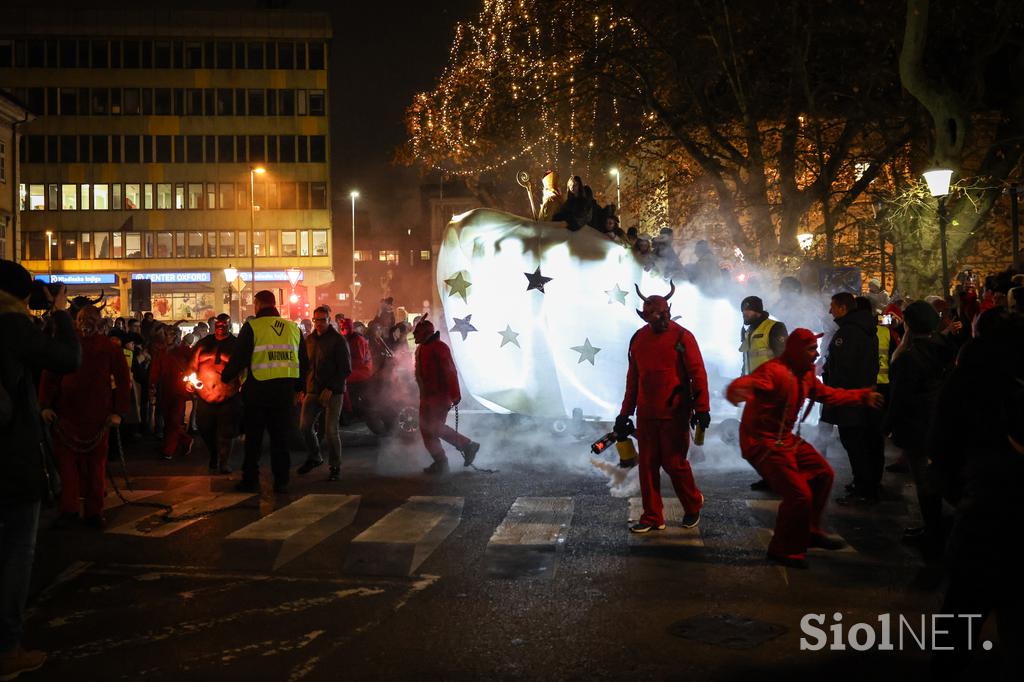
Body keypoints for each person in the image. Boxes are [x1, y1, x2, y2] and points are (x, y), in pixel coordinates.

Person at [726, 329, 884, 568]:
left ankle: (809, 531)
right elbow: (744, 385)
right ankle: (783, 549)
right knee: (798, 495)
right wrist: (737, 391)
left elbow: (825, 394)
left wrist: (860, 396)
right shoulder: (774, 371)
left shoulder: (804, 373)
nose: (816, 353)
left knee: (823, 474)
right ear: (798, 351)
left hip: (784, 439)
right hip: (761, 442)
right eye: (811, 349)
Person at [0, 261, 80, 680]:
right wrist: (61, 311)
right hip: (10, 461)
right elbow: (68, 358)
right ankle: (7, 648)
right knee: (15, 553)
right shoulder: (12, 327)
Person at [618, 282, 709, 533]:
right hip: (647, 414)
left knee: (674, 463)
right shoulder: (638, 339)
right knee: (647, 465)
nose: (664, 318)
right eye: (658, 314)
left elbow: (697, 374)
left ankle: (692, 505)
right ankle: (652, 516)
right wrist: (624, 413)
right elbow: (633, 379)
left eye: (666, 312)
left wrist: (702, 408)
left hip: (676, 412)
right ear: (646, 315)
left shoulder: (682, 336)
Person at [39, 304, 130, 529]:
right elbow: (49, 376)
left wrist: (118, 412)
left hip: (98, 418)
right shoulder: (66, 346)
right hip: (67, 416)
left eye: (90, 318)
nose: (85, 322)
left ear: (99, 322)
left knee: (95, 468)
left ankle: (93, 511)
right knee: (68, 467)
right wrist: (45, 406)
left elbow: (122, 381)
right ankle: (69, 510)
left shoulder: (110, 348)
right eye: (81, 318)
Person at [882, 301, 955, 558]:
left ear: (908, 324)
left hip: (917, 426)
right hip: (939, 423)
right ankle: (932, 528)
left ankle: (933, 533)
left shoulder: (908, 357)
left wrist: (887, 426)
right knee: (929, 480)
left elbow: (900, 397)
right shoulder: (943, 348)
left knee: (924, 482)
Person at [221, 290, 308, 494]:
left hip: (258, 392)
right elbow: (303, 361)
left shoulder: (252, 326)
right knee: (280, 439)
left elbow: (239, 357)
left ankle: (250, 480)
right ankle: (282, 481)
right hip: (284, 394)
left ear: (258, 304)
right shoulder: (293, 328)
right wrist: (300, 387)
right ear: (275, 304)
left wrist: (226, 377)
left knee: (254, 441)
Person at [820, 291, 881, 503]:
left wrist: (832, 392)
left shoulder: (848, 333)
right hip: (861, 395)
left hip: (850, 398)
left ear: (843, 308)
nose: (830, 311)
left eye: (833, 306)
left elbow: (842, 370)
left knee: (854, 443)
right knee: (863, 442)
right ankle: (866, 484)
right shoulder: (865, 329)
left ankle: (863, 489)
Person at [413, 317, 480, 473]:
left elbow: (450, 371)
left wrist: (455, 394)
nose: (414, 335)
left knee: (434, 427)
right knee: (426, 429)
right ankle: (441, 462)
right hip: (427, 396)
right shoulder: (422, 348)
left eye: (417, 332)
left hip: (439, 396)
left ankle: (466, 445)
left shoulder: (439, 347)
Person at [738, 296, 788, 491]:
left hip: (773, 391)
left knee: (773, 438)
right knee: (759, 439)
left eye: (748, 310)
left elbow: (783, 358)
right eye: (743, 311)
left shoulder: (775, 328)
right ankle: (769, 476)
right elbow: (747, 358)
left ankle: (780, 478)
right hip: (756, 392)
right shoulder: (748, 331)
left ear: (758, 311)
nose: (744, 314)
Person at [297, 305, 351, 481]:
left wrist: (332, 388)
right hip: (313, 390)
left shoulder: (337, 340)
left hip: (332, 392)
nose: (319, 323)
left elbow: (345, 368)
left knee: (330, 430)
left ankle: (335, 466)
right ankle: (315, 457)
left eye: (322, 320)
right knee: (305, 427)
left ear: (329, 320)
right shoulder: (310, 340)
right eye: (316, 320)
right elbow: (305, 366)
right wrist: (302, 389)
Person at [186, 314, 240, 474]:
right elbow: (192, 366)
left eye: (224, 325)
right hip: (205, 397)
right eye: (218, 325)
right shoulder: (203, 344)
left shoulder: (236, 345)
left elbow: (244, 368)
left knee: (226, 432)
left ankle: (224, 462)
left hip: (228, 396)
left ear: (229, 326)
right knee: (205, 428)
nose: (221, 328)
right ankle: (214, 454)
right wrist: (190, 381)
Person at [150, 325, 194, 460]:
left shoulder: (184, 350)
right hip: (165, 389)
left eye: (171, 335)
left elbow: (194, 363)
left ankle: (168, 450)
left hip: (179, 389)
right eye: (167, 334)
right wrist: (152, 387)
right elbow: (154, 371)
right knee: (169, 420)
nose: (168, 337)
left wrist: (191, 377)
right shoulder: (161, 352)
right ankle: (185, 440)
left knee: (174, 420)